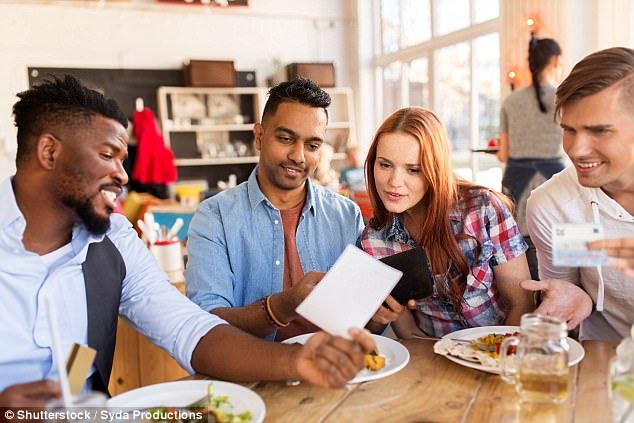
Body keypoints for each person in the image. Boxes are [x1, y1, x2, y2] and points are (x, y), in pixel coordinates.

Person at [0, 76, 375, 407]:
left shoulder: (113, 242)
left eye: (123, 159)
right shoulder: (215, 216)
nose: (123, 175)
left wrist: (295, 362)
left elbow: (188, 329)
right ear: (49, 152)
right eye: (106, 156)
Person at [186, 78, 363, 341]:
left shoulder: (347, 216)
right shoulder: (215, 218)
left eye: (312, 145)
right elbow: (207, 324)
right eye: (285, 138)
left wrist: (378, 315)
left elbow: (359, 313)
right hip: (253, 377)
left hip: (336, 371)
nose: (298, 156)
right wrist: (280, 307)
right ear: (259, 136)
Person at [359, 107, 534, 338]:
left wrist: (492, 359)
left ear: (435, 170)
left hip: (498, 354)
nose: (394, 182)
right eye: (385, 165)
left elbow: (522, 303)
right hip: (431, 358)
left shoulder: (483, 210)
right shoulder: (375, 239)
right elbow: (409, 333)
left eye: (413, 170)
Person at [524, 47, 634, 341]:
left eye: (599, 131)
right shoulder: (554, 207)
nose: (576, 149)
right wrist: (576, 298)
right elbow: (566, 292)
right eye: (569, 130)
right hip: (604, 368)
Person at [497, 35, 565, 245]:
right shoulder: (564, 98)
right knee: (560, 248)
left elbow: (502, 154)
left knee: (516, 249)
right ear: (555, 61)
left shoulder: (511, 101)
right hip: (554, 182)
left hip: (516, 183)